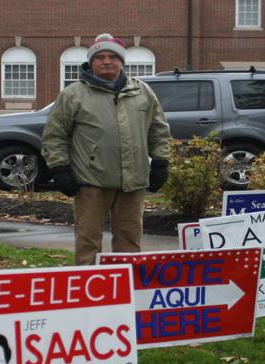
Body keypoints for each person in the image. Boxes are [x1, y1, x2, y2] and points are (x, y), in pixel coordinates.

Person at [41, 34, 172, 266]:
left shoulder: (142, 92)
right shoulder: (73, 94)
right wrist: (59, 168)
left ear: (122, 61)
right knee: (88, 240)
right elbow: (55, 135)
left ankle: (126, 289)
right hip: (90, 181)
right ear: (91, 62)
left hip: (133, 182)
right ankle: (88, 289)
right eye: (100, 57)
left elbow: (159, 130)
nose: (107, 61)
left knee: (129, 241)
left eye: (113, 56)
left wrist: (161, 162)